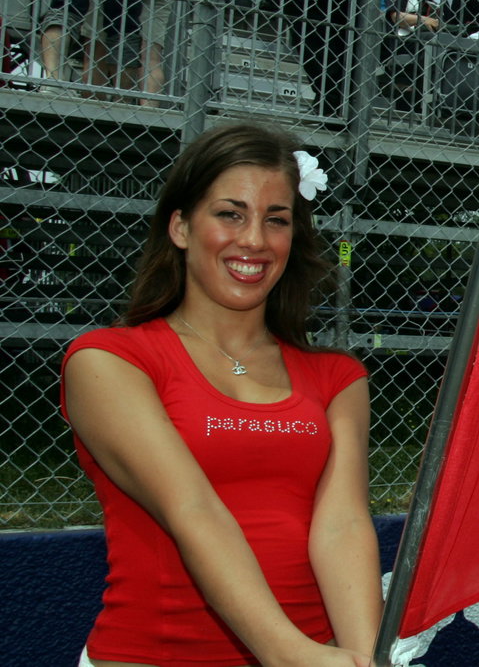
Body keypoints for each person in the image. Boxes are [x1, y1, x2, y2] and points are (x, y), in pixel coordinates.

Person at [61, 122, 380, 666]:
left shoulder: (338, 377)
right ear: (181, 227)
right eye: (230, 214)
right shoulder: (109, 360)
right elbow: (192, 508)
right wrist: (287, 654)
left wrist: (365, 657)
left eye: (276, 219)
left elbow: (344, 525)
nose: (254, 239)